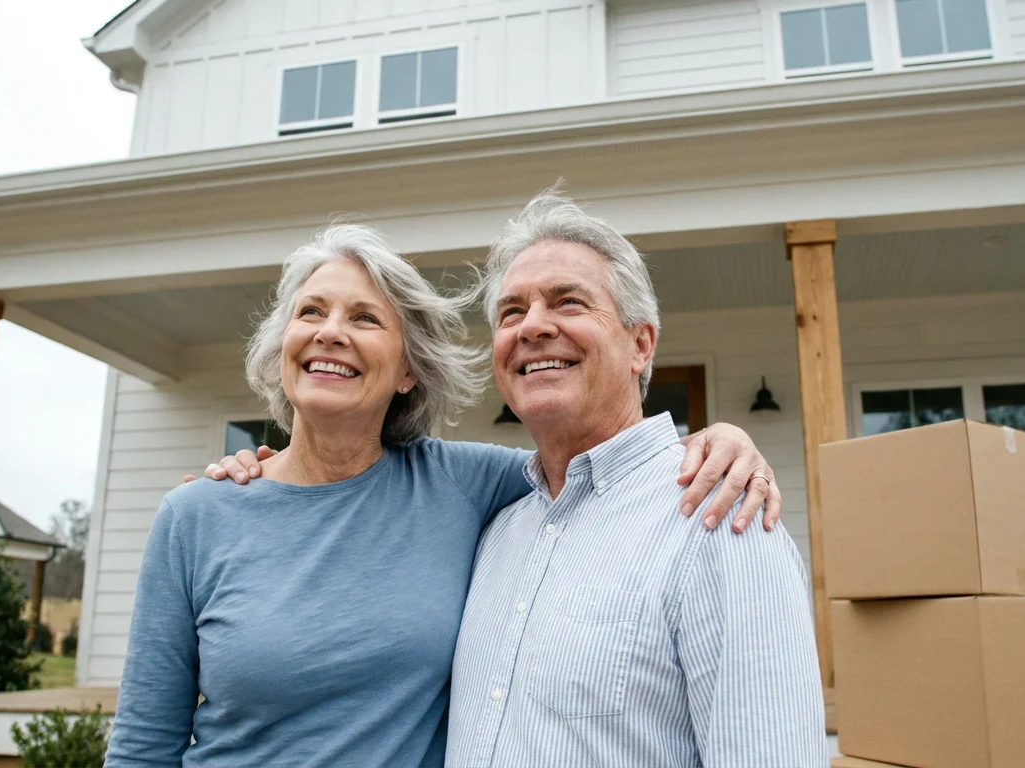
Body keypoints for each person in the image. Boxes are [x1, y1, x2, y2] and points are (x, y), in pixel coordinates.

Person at [105, 224, 782, 768]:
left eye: (365, 318)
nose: (330, 331)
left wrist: (718, 440)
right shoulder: (198, 515)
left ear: (406, 370)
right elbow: (142, 745)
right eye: (311, 312)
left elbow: (591, 463)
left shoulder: (461, 483)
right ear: (283, 345)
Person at [446, 192, 828, 766]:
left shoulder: (720, 514)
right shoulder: (495, 529)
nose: (532, 327)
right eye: (511, 312)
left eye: (568, 302)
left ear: (641, 344)